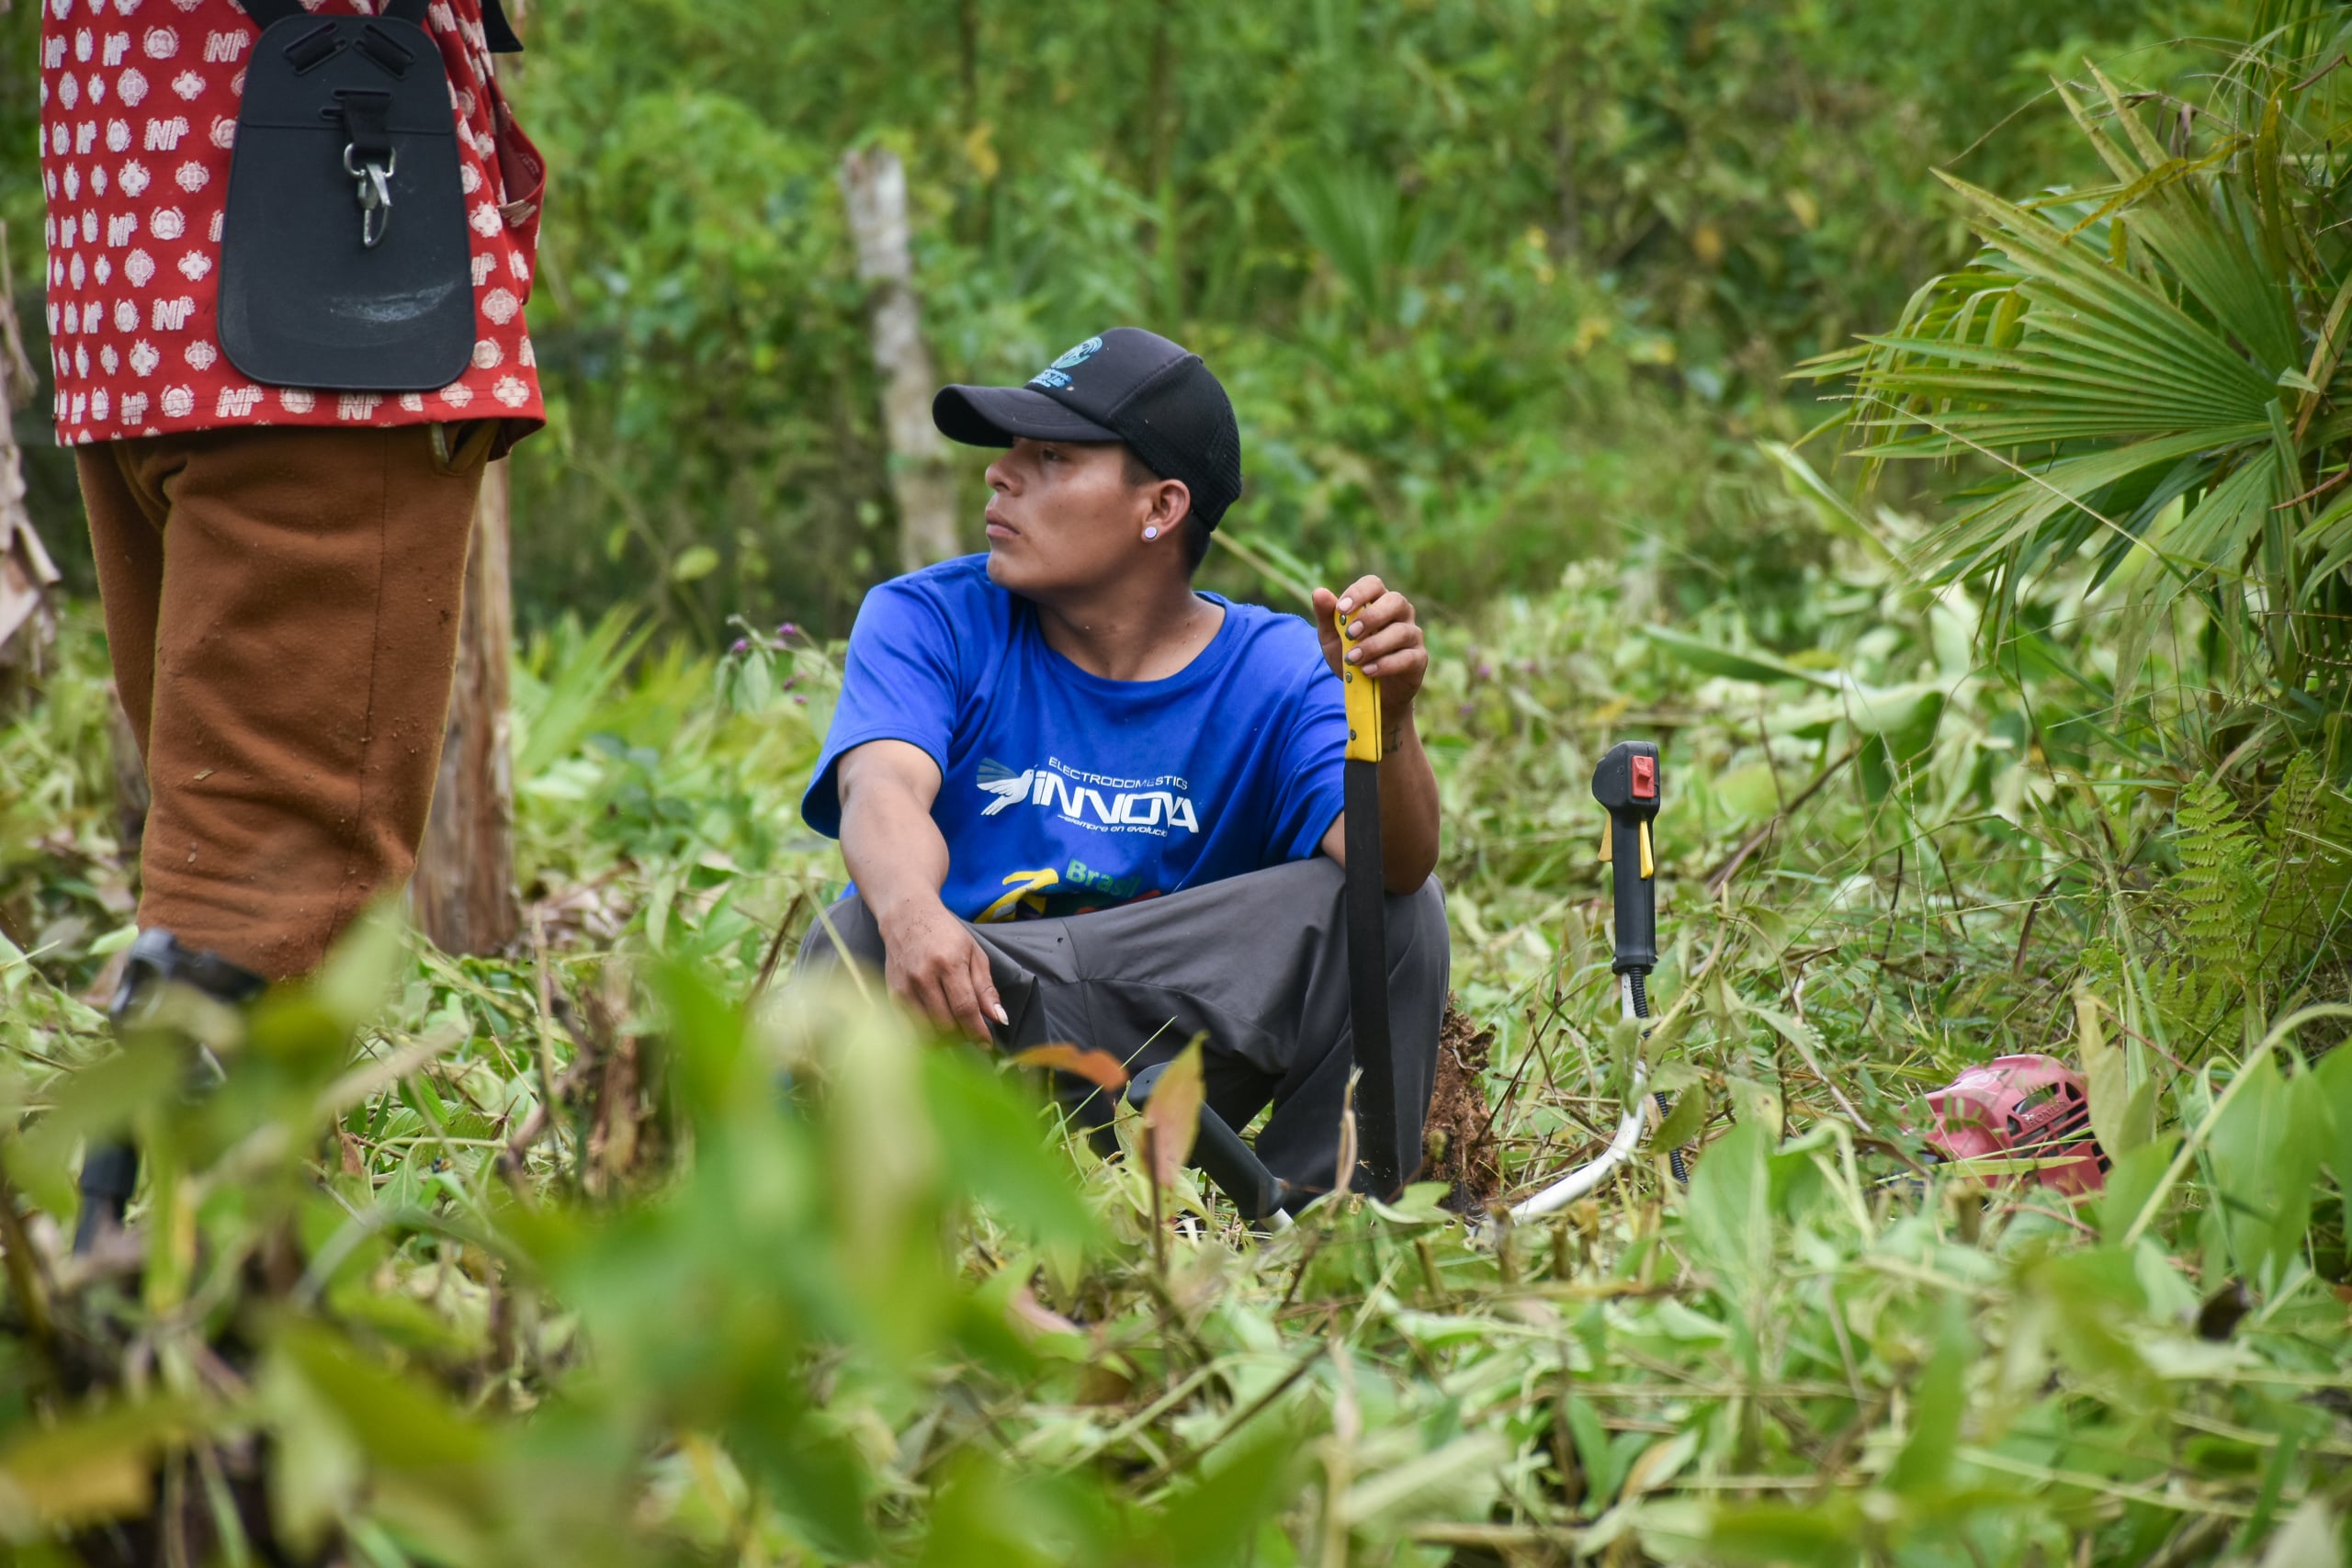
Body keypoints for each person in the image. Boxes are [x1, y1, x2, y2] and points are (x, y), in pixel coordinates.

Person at [40, 0, 545, 1245]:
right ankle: (184, 1314)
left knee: (220, 850)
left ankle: (186, 1276)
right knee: (268, 890)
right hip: (316, 296)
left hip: (147, 267)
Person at [797, 327, 1448, 1199]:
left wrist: (1391, 719)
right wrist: (913, 912)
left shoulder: (1278, 666)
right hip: (967, 1026)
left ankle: (1319, 1227)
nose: (1000, 473)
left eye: (1053, 455)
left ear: (1161, 507)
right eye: (1010, 451)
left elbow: (1392, 863)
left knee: (1396, 910)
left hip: (1168, 1061)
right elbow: (880, 788)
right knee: (860, 941)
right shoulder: (929, 618)